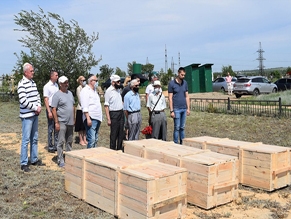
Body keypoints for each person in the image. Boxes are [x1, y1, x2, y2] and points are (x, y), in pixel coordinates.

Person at [17, 63, 44, 172]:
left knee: (35, 138)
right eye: (31, 71)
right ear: (26, 72)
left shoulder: (33, 83)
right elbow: (23, 101)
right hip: (27, 116)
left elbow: (37, 95)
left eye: (33, 71)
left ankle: (34, 159)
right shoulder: (21, 84)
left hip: (34, 114)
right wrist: (34, 108)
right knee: (26, 139)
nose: (33, 73)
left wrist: (39, 105)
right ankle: (24, 163)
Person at [51, 76, 75, 168]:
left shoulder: (70, 93)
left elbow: (73, 106)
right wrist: (56, 122)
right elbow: (54, 109)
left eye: (67, 82)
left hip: (70, 122)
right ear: (60, 84)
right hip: (61, 121)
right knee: (61, 141)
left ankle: (69, 158)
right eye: (65, 82)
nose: (66, 84)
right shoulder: (57, 95)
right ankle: (60, 160)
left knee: (69, 141)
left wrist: (74, 118)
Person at [168, 67, 190, 144]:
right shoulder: (172, 84)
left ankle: (182, 143)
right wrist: (171, 110)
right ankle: (175, 143)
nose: (183, 76)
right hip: (176, 109)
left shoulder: (185, 83)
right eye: (182, 75)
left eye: (184, 75)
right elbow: (170, 98)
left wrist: (188, 108)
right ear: (178, 73)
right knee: (177, 127)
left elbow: (187, 96)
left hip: (184, 108)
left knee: (182, 127)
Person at [80, 74, 102, 148]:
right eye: (96, 80)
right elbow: (84, 106)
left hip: (97, 117)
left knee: (95, 139)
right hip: (91, 118)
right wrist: (88, 118)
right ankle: (89, 156)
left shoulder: (95, 91)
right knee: (91, 139)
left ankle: (94, 156)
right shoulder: (85, 90)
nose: (97, 82)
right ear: (91, 81)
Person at [104, 75, 124, 150]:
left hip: (120, 113)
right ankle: (112, 149)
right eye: (118, 82)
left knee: (121, 133)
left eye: (119, 82)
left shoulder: (118, 90)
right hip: (114, 114)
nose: (119, 83)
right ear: (113, 82)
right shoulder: (109, 91)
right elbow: (106, 106)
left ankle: (119, 149)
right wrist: (108, 119)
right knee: (114, 133)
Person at [43, 70, 59, 153]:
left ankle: (56, 145)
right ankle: (50, 145)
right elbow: (46, 99)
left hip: (56, 108)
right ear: (51, 76)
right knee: (50, 128)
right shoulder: (47, 86)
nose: (57, 77)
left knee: (56, 126)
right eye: (56, 75)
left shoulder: (56, 85)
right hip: (50, 107)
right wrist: (49, 111)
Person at [75, 76, 87, 146]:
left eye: (85, 80)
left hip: (85, 109)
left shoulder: (86, 88)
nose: (84, 81)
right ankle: (81, 140)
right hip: (80, 108)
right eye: (83, 80)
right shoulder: (78, 88)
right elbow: (80, 99)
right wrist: (84, 105)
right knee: (80, 126)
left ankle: (85, 139)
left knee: (84, 126)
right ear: (80, 81)